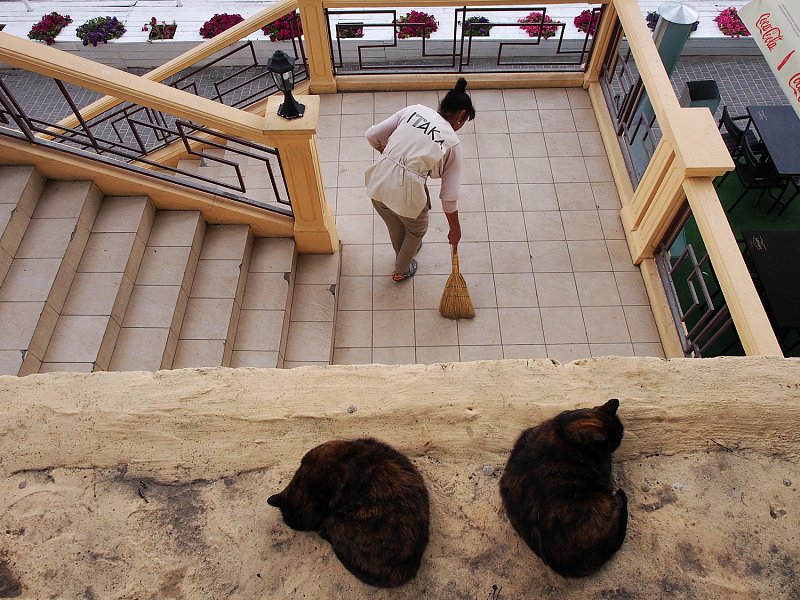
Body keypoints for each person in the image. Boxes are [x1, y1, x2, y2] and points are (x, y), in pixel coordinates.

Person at [365, 78, 475, 281]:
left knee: (394, 223)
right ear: (461, 115)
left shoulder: (414, 110)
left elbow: (372, 135)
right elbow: (449, 198)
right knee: (417, 229)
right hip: (406, 194)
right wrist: (455, 229)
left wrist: (392, 157)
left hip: (377, 180)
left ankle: (404, 252)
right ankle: (401, 269)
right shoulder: (452, 143)